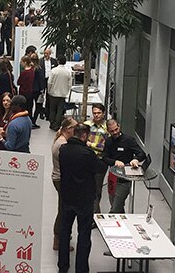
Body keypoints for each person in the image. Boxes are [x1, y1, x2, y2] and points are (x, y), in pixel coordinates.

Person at [58, 124, 109, 273]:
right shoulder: (87, 154)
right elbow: (98, 168)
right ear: (85, 136)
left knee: (65, 233)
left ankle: (63, 266)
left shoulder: (64, 150)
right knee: (84, 235)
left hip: (67, 197)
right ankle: (81, 269)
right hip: (84, 199)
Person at [103, 119, 147, 213]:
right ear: (108, 131)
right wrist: (115, 161)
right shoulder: (108, 141)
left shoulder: (128, 140)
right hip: (112, 177)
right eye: (112, 131)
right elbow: (105, 158)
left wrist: (136, 159)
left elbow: (142, 154)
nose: (115, 132)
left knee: (115, 208)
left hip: (125, 179)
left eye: (116, 129)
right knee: (115, 204)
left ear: (119, 126)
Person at [51, 117, 77, 251]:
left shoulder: (60, 141)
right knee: (63, 211)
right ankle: (59, 239)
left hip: (58, 178)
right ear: (68, 129)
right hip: (61, 180)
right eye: (74, 128)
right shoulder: (62, 145)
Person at [84, 103, 110, 214]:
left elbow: (105, 147)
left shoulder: (107, 128)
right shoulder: (86, 125)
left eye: (99, 113)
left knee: (97, 188)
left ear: (103, 114)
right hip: (87, 161)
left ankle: (95, 214)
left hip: (100, 162)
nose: (96, 115)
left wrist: (91, 145)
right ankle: (93, 212)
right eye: (94, 113)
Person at [47, 56, 72, 131]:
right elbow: (69, 84)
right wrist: (67, 92)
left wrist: (49, 90)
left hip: (53, 93)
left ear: (58, 61)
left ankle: (52, 123)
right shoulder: (68, 72)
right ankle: (57, 125)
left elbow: (49, 82)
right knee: (59, 110)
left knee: (52, 109)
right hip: (62, 94)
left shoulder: (54, 70)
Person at [40, 48, 59, 119]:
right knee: (41, 97)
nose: (45, 55)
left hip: (50, 80)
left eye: (47, 53)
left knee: (49, 97)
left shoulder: (54, 61)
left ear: (50, 54)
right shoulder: (40, 61)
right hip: (42, 80)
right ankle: (41, 113)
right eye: (45, 53)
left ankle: (48, 113)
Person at [30, 53, 46, 128]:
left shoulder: (29, 68)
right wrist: (42, 88)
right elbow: (41, 79)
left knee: (30, 106)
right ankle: (33, 121)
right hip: (37, 90)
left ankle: (30, 121)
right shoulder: (39, 68)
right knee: (38, 106)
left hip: (30, 89)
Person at [17, 55, 35, 120]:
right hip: (30, 92)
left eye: (21, 62)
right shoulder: (32, 71)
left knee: (22, 108)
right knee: (29, 108)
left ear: (25, 62)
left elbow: (19, 82)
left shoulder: (24, 73)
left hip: (23, 92)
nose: (21, 64)